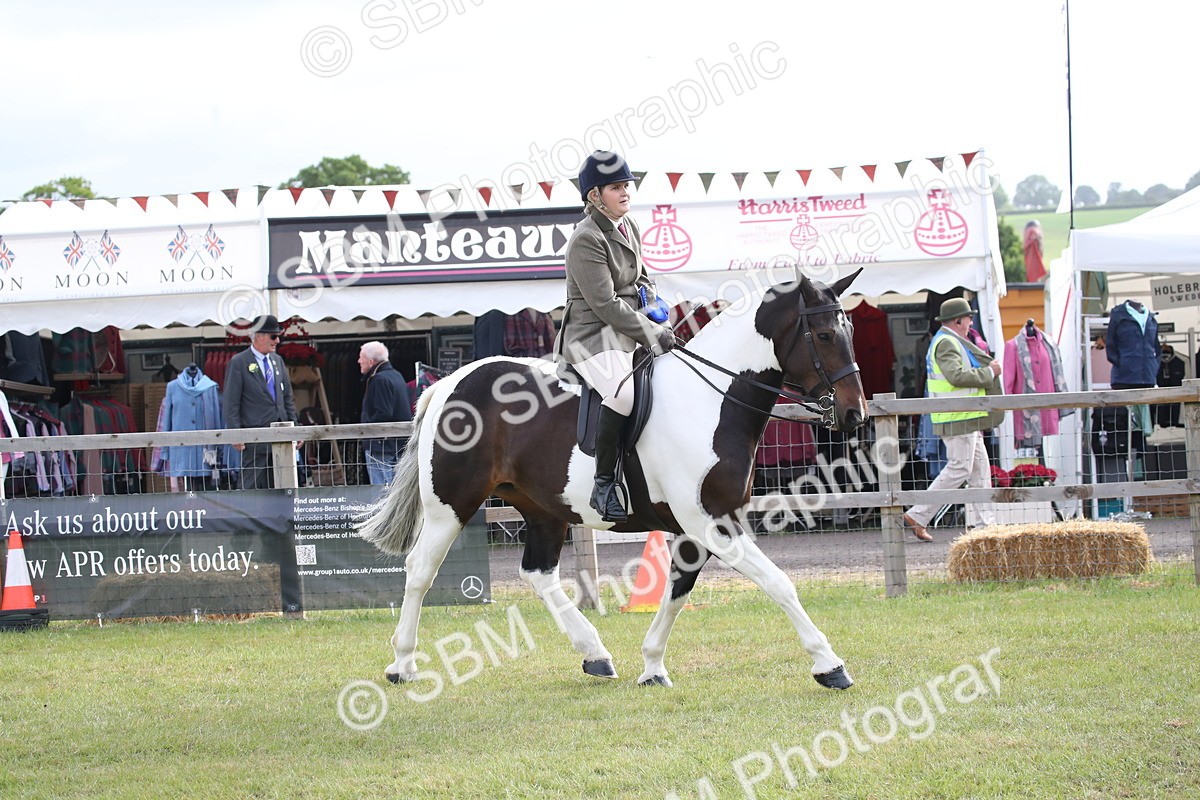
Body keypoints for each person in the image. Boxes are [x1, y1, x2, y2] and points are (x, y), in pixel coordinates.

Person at [552, 150, 676, 523]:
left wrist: (653, 304)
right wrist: (650, 331)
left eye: (627, 186)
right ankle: (604, 483)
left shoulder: (629, 226)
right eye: (617, 187)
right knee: (622, 395)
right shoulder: (585, 239)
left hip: (629, 328)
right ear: (594, 195)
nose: (625, 193)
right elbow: (605, 304)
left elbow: (641, 278)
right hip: (591, 337)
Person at [903, 298, 1004, 541]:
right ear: (958, 320)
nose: (971, 321)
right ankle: (919, 514)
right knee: (960, 468)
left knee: (980, 472)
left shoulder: (948, 340)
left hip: (963, 416)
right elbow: (957, 376)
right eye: (968, 317)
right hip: (958, 416)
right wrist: (990, 372)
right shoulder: (948, 342)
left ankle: (985, 527)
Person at [223, 315, 297, 489]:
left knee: (283, 486)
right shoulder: (239, 362)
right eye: (273, 336)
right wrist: (235, 432)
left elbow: (287, 398)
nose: (277, 341)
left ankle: (282, 516)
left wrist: (296, 426)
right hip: (254, 436)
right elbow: (231, 401)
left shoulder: (277, 361)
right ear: (259, 336)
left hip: (282, 435)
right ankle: (247, 516)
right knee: (251, 486)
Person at [357, 341, 412, 485]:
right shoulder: (396, 375)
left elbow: (383, 414)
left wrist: (364, 430)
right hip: (396, 444)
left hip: (381, 445)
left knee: (382, 491)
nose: (358, 361)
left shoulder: (379, 379)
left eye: (361, 357)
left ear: (370, 361)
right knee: (396, 488)